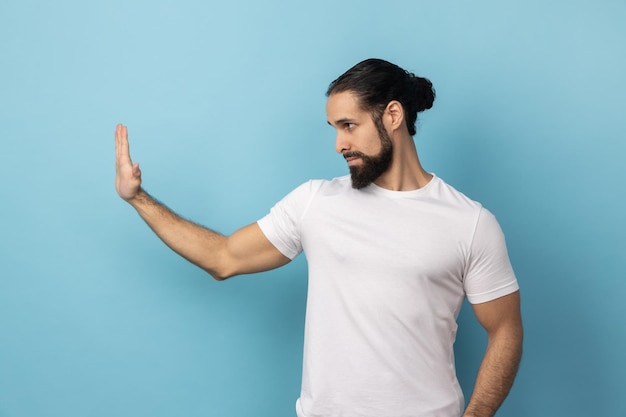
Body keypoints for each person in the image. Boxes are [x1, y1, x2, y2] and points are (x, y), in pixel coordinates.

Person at [115, 58, 523, 417]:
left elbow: (505, 330)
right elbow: (223, 257)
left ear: (393, 115)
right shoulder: (316, 202)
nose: (338, 144)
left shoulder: (468, 222)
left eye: (349, 126)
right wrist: (139, 199)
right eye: (334, 128)